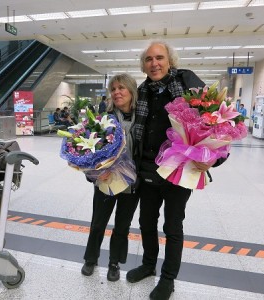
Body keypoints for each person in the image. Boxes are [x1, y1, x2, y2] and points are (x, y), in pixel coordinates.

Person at [126, 41, 223, 300]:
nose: (154, 63)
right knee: (146, 221)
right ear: (143, 64)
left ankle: (168, 278)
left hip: (180, 170)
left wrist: (214, 158)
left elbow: (217, 121)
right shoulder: (142, 90)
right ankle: (148, 265)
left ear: (170, 61)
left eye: (159, 58)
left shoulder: (186, 82)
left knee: (172, 225)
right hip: (148, 169)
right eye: (148, 59)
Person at [81, 73, 139, 282]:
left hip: (132, 182)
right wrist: (96, 171)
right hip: (106, 179)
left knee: (122, 226)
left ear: (132, 91)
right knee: (98, 222)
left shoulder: (142, 116)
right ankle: (91, 258)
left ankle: (114, 263)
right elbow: (88, 150)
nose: (116, 92)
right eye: (113, 89)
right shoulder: (103, 116)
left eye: (121, 88)